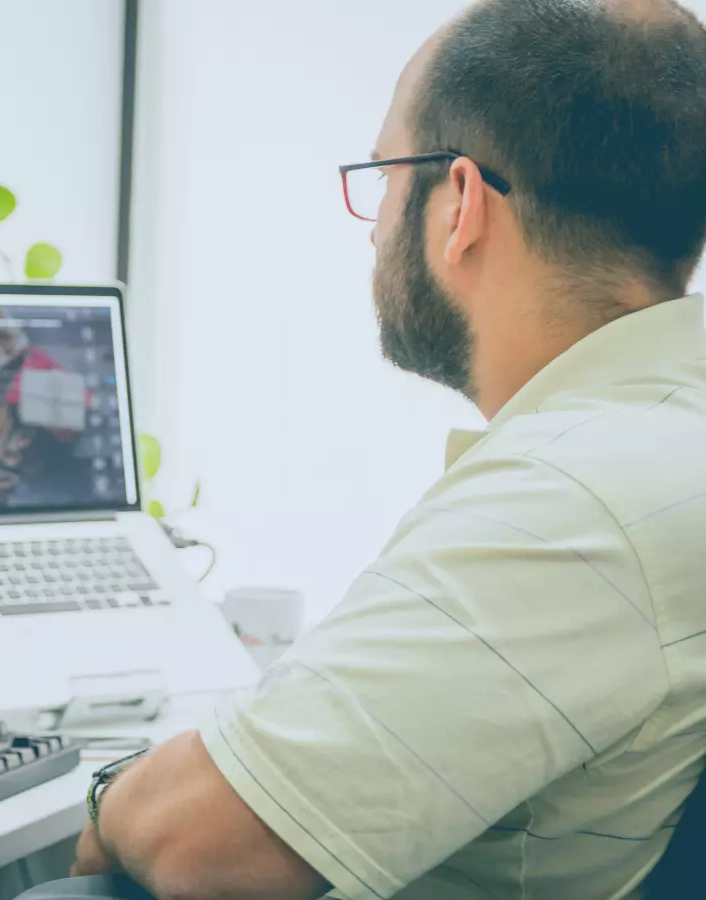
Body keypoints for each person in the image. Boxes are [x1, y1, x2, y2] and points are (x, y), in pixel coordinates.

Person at [65, 1, 706, 897]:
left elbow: (200, 843)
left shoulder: (576, 498)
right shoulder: (667, 438)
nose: (373, 226)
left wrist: (108, 796)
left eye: (385, 175)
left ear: (461, 206)